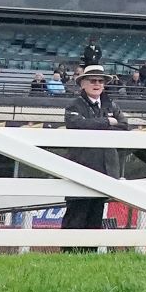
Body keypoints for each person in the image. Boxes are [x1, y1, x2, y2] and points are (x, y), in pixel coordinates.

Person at [59, 66, 130, 241]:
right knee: (76, 215)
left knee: (95, 216)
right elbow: (76, 124)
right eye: (93, 80)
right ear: (83, 84)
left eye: (100, 81)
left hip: (105, 170)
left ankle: (90, 252)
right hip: (81, 168)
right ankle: (68, 252)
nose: (97, 84)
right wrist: (107, 121)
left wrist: (96, 124)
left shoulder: (111, 104)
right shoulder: (74, 105)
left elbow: (124, 126)